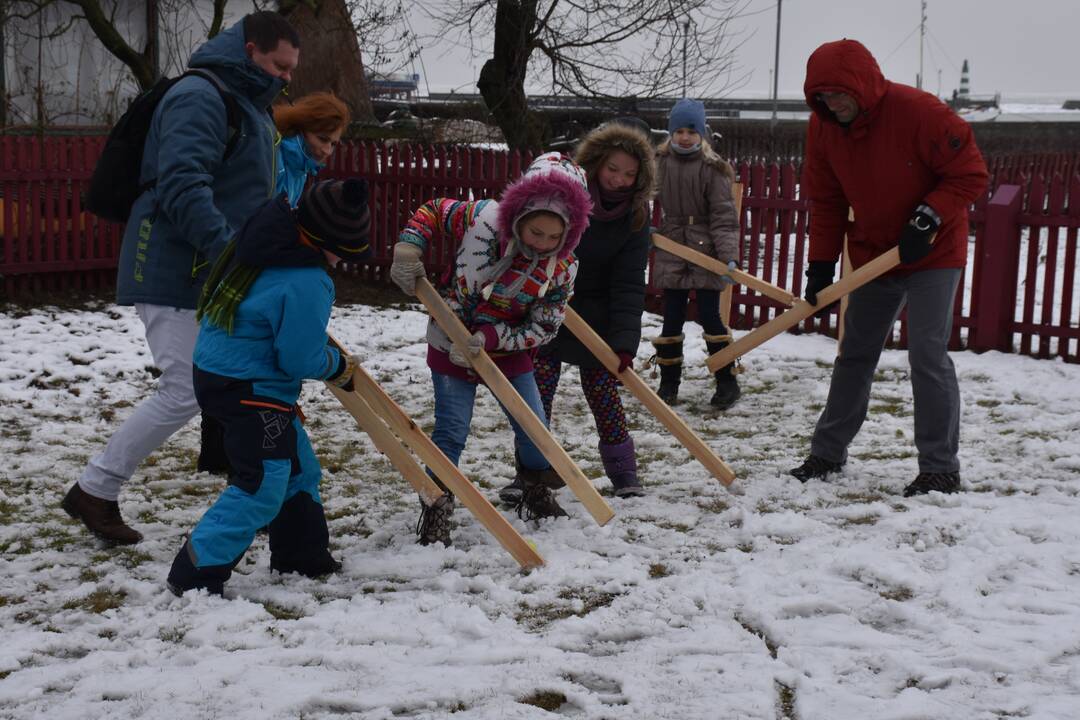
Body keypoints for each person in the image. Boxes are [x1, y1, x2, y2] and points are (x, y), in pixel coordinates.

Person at [62, 11, 301, 544]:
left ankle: (264, 492)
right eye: (279, 65)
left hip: (214, 272)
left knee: (239, 378)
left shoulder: (250, 105)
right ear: (249, 50)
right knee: (183, 389)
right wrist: (230, 255)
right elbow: (182, 186)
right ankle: (94, 489)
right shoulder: (201, 96)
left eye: (291, 70)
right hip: (175, 267)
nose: (287, 77)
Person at [789, 39, 988, 497]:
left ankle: (940, 468)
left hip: (933, 249)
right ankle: (827, 453)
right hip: (874, 253)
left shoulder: (921, 112)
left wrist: (930, 214)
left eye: (839, 94)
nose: (831, 104)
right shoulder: (823, 128)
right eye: (821, 97)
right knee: (855, 353)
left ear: (861, 85)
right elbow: (827, 200)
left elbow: (970, 173)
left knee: (926, 352)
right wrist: (821, 264)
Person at [166, 178, 371, 596]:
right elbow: (297, 358)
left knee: (297, 469)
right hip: (251, 390)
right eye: (340, 252)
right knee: (262, 483)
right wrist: (338, 366)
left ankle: (301, 556)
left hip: (221, 375)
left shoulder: (260, 244)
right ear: (322, 241)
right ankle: (194, 573)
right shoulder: (306, 279)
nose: (339, 262)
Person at [389, 152, 592, 546]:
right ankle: (437, 507)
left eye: (555, 238)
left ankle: (534, 488)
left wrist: (494, 339)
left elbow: (546, 325)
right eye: (536, 233)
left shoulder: (563, 267)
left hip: (508, 352)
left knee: (535, 432)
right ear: (519, 216)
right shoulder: (483, 217)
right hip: (450, 342)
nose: (544, 244)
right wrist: (409, 246)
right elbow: (434, 211)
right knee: (451, 431)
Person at [500, 120, 656, 503]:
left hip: (598, 320)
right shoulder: (566, 198)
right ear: (596, 163)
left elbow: (629, 283)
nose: (618, 180)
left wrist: (622, 342)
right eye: (612, 169)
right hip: (550, 308)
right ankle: (530, 473)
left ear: (640, 178)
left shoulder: (635, 217)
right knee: (537, 394)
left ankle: (624, 475)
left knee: (604, 396)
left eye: (629, 174)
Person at [651, 98, 742, 409]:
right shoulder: (659, 164)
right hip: (672, 245)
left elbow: (724, 217)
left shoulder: (713, 169)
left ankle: (727, 381)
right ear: (670, 133)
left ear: (702, 134)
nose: (685, 137)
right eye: (679, 130)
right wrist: (644, 230)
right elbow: (639, 198)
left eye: (691, 130)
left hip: (707, 249)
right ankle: (668, 384)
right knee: (671, 317)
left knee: (709, 316)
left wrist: (728, 256)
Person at [274, 92, 350, 206]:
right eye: (322, 139)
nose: (327, 151)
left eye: (333, 144)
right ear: (300, 128)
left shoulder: (300, 167)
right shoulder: (274, 158)